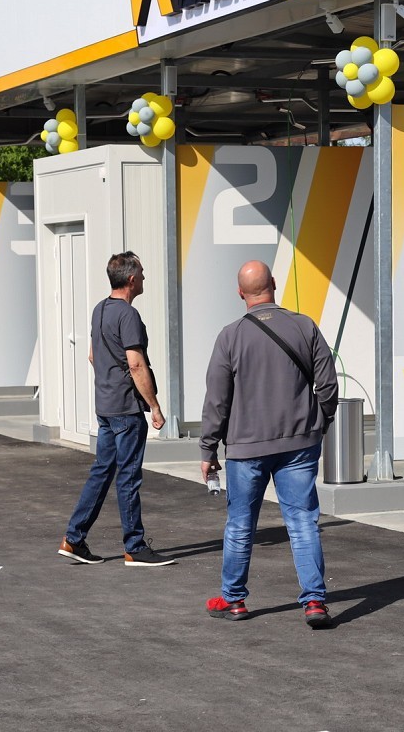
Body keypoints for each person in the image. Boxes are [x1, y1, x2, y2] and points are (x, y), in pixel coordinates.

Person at [201, 260, 339, 628]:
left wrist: (208, 448)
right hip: (299, 444)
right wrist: (319, 421)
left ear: (240, 293)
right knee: (303, 522)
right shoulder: (304, 326)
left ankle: (234, 600)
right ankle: (314, 602)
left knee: (240, 525)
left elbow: (217, 399)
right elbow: (328, 384)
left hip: (246, 448)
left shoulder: (230, 336)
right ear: (274, 284)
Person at [58, 251, 175, 567]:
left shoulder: (99, 310)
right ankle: (134, 547)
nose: (145, 278)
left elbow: (93, 356)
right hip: (126, 409)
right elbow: (136, 364)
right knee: (128, 477)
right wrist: (155, 406)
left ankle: (74, 538)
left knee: (102, 472)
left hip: (106, 406)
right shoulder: (128, 315)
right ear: (132, 279)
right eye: (143, 273)